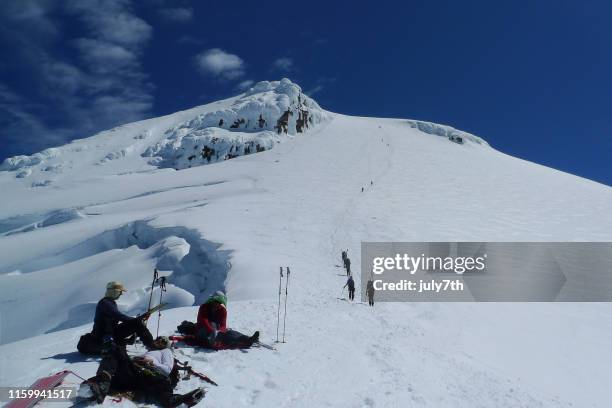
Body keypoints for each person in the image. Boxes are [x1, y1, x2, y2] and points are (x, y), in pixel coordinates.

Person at [81, 336, 205, 407]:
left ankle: (179, 401)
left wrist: (151, 362)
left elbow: (167, 370)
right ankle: (100, 384)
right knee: (114, 354)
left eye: (162, 340)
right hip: (134, 375)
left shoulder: (166, 352)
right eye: (157, 339)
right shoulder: (149, 352)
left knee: (117, 350)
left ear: (166, 345)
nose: (158, 341)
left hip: (149, 374)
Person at [78, 281, 155, 354]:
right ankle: (152, 347)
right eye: (120, 292)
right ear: (114, 291)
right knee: (137, 323)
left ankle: (151, 346)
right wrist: (136, 320)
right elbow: (118, 316)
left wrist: (136, 320)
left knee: (137, 323)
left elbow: (118, 317)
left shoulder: (110, 302)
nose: (121, 294)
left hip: (111, 332)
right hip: (103, 336)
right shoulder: (105, 303)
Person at [195, 291, 259, 349]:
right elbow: (204, 320)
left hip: (216, 330)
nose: (216, 304)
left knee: (230, 332)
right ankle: (217, 343)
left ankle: (247, 339)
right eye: (215, 301)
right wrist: (213, 331)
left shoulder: (222, 310)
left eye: (218, 302)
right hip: (202, 330)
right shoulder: (204, 307)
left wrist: (220, 332)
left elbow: (223, 325)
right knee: (214, 327)